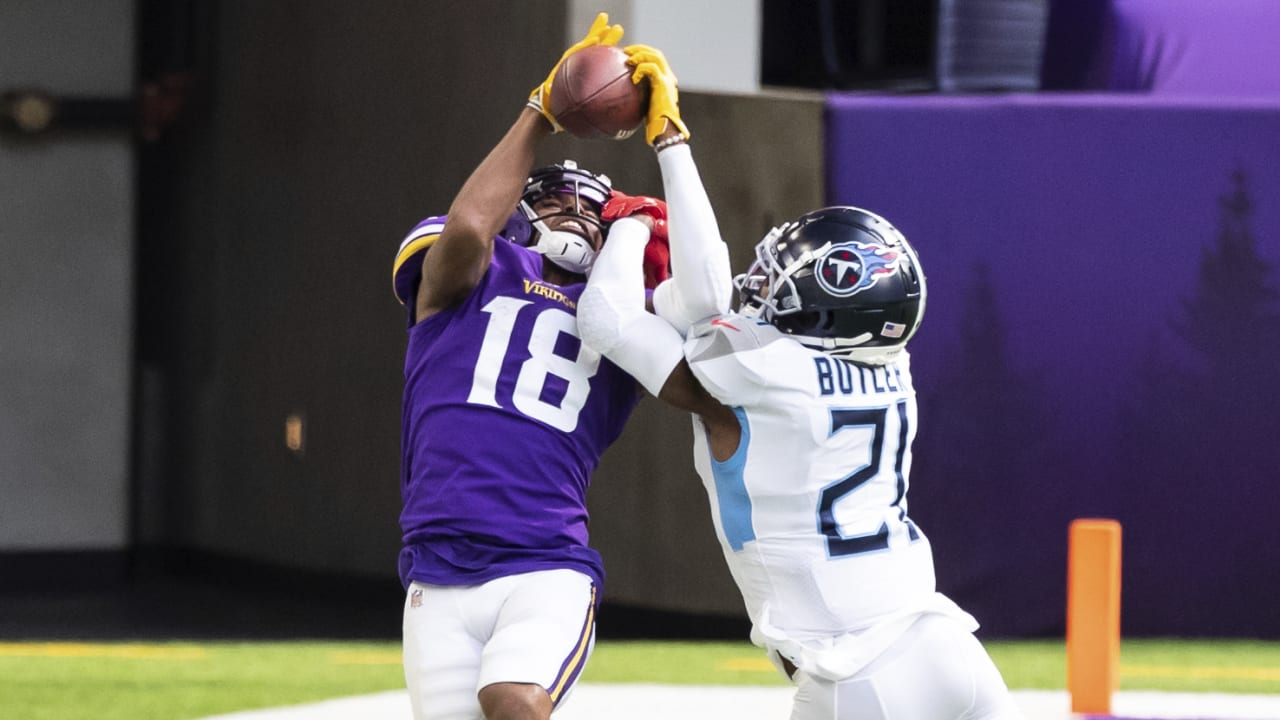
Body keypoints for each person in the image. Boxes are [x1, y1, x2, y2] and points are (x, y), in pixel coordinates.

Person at [577, 51, 1025, 720]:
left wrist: (634, 214)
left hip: (858, 673)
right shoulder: (891, 368)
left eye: (780, 277)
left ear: (828, 305)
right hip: (953, 656)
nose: (759, 285)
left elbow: (615, 316)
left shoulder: (761, 373)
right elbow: (706, 303)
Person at [390, 14, 674, 720]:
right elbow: (464, 231)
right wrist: (540, 112)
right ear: (519, 212)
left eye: (593, 208)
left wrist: (672, 144)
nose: (578, 213)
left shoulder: (624, 312)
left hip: (543, 562)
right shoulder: (466, 277)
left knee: (513, 700)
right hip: (436, 569)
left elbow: (698, 304)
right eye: (555, 197)